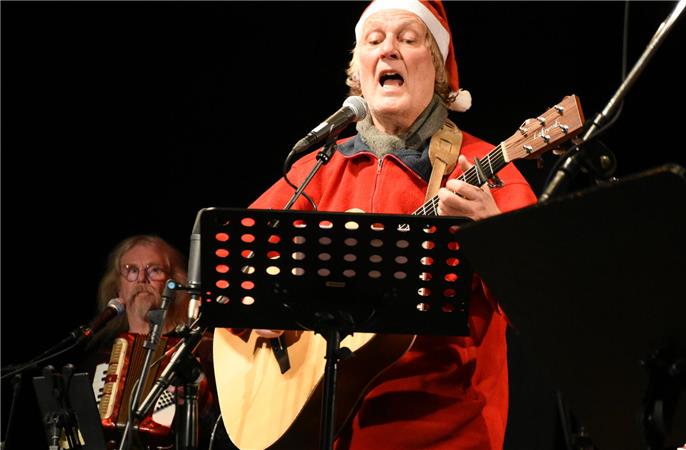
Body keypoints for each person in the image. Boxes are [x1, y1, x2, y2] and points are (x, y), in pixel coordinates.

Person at [245, 1, 538, 448]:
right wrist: (258, 303)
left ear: (437, 70)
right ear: (358, 71)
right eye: (374, 40)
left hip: (444, 433)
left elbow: (546, 308)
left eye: (408, 38)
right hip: (323, 427)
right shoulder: (317, 168)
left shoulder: (485, 168)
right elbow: (230, 262)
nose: (388, 52)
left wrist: (493, 233)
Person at [80, 234, 222, 450]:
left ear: (175, 284)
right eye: (131, 270)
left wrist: (200, 406)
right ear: (118, 288)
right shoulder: (99, 361)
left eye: (154, 270)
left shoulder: (202, 349)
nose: (141, 279)